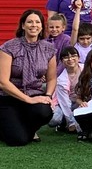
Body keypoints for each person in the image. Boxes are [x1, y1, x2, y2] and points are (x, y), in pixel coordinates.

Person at [0, 9, 56, 146]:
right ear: (23, 25)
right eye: (30, 22)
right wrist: (29, 100)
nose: (34, 25)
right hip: (8, 98)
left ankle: (22, 127)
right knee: (18, 140)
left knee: (45, 112)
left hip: (34, 93)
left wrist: (48, 95)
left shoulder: (48, 48)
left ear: (42, 26)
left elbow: (52, 78)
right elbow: (3, 82)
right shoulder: (9, 47)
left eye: (37, 22)